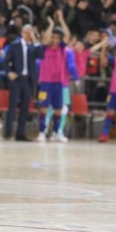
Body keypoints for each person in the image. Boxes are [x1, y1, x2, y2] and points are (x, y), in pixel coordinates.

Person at [36, 15, 78, 143]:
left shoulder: (62, 49)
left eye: (56, 38)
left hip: (59, 83)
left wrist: (61, 20)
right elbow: (45, 38)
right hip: (45, 83)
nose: (54, 40)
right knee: (43, 107)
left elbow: (67, 35)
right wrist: (51, 25)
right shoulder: (44, 48)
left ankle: (56, 133)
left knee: (59, 109)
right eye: (52, 37)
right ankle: (42, 132)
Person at [4, 24, 40, 141]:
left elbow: (41, 54)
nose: (28, 35)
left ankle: (21, 133)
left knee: (25, 108)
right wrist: (9, 72)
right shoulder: (14, 46)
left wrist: (35, 40)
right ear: (22, 33)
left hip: (27, 80)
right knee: (12, 106)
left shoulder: (32, 47)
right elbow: (6, 61)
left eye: (31, 33)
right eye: (26, 33)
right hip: (16, 79)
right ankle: (8, 132)